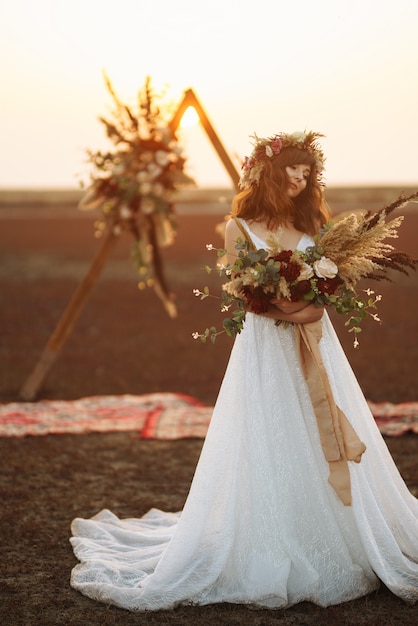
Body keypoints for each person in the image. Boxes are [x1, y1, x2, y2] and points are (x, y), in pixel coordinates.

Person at [70, 131, 418, 611]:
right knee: (272, 429)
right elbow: (243, 294)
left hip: (317, 345)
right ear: (269, 174)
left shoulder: (314, 225)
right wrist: (294, 312)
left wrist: (309, 309)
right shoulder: (239, 228)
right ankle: (274, 529)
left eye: (306, 174)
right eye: (292, 172)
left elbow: (325, 292)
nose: (300, 180)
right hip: (264, 347)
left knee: (322, 422)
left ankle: (342, 528)